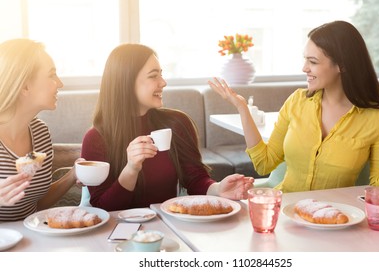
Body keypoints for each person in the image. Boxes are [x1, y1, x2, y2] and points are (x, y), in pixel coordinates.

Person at [209, 20, 379, 193]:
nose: (304, 68)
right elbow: (264, 164)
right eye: (305, 59)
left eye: (313, 62)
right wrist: (242, 108)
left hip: (335, 221)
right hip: (285, 214)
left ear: (342, 65)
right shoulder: (297, 101)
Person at [81, 44, 254, 211]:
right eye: (153, 76)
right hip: (117, 234)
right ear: (126, 82)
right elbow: (104, 207)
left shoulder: (176, 123)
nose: (163, 82)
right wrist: (131, 168)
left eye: (161, 75)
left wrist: (218, 189)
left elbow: (195, 180)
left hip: (167, 228)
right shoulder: (96, 139)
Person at [0, 39, 79, 221]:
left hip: (31, 239)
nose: (60, 84)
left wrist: (72, 175)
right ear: (25, 85)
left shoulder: (40, 132)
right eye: (52, 75)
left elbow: (36, 203)